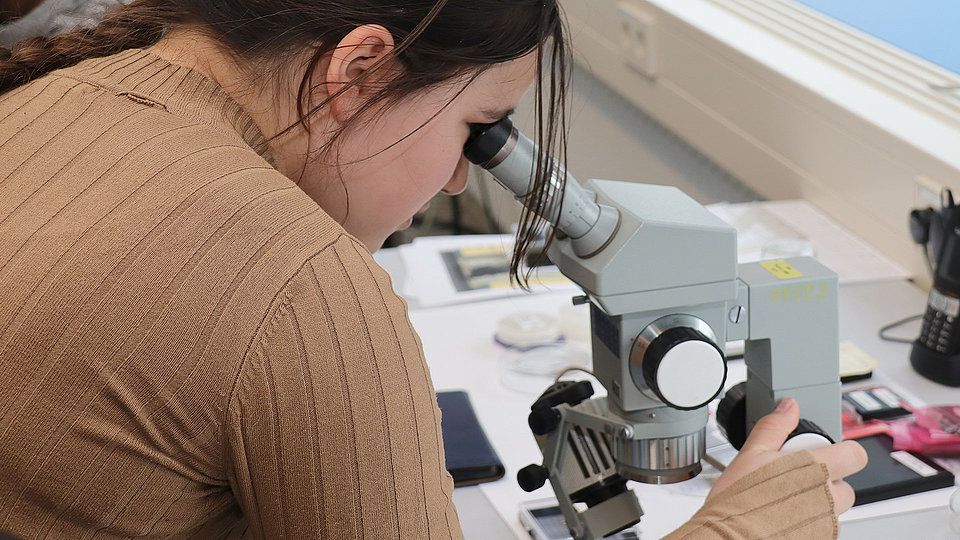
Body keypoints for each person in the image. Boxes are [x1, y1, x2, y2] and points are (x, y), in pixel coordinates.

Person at [0, 0, 865, 538]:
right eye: (474, 128)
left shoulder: (46, 98)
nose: (459, 176)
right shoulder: (300, 284)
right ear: (359, 68)